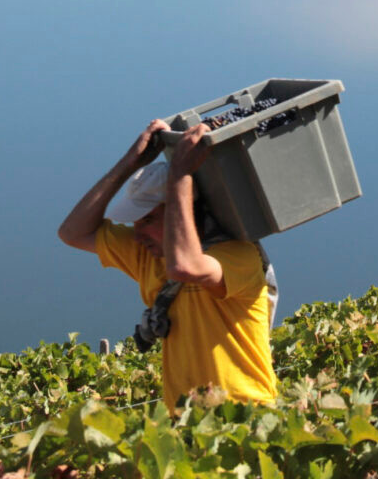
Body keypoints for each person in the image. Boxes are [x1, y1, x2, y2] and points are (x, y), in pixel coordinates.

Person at [57, 119, 278, 406]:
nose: (137, 234)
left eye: (147, 220)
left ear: (184, 208)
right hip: (185, 426)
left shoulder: (239, 256)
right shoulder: (148, 255)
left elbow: (185, 267)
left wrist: (180, 175)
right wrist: (129, 163)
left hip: (245, 420)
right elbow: (72, 233)